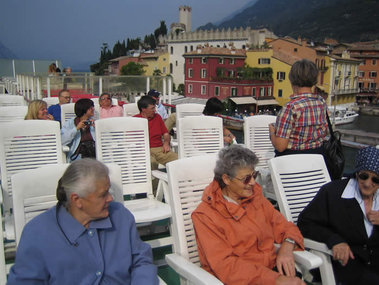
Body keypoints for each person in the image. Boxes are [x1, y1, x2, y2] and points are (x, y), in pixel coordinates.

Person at [7, 158, 158, 284]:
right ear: (77, 200)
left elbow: (141, 260)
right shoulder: (38, 234)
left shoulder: (120, 216)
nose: (110, 198)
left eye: (109, 191)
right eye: (103, 194)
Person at [192, 145, 305, 285]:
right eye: (246, 178)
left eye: (254, 175)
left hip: (270, 271)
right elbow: (227, 267)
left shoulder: (255, 198)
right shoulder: (205, 216)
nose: (252, 182)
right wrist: (276, 280)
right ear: (226, 179)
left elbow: (285, 227)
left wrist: (287, 246)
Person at [297, 146, 379, 285]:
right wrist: (334, 240)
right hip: (347, 265)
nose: (367, 183)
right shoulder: (333, 193)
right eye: (364, 176)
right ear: (356, 173)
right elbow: (306, 223)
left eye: (375, 180)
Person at [269, 59, 328, 157]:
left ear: (292, 79)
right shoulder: (321, 103)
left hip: (292, 163)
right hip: (317, 161)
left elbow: (280, 146)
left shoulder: (291, 108)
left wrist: (272, 132)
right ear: (314, 79)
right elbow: (324, 132)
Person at [134, 96, 177, 170]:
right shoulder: (134, 120)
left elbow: (165, 133)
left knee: (178, 159)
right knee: (152, 163)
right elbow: (131, 141)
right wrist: (142, 150)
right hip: (144, 150)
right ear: (143, 109)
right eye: (152, 108)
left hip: (159, 149)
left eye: (154, 108)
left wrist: (166, 143)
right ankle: (154, 181)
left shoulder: (157, 117)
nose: (155, 110)